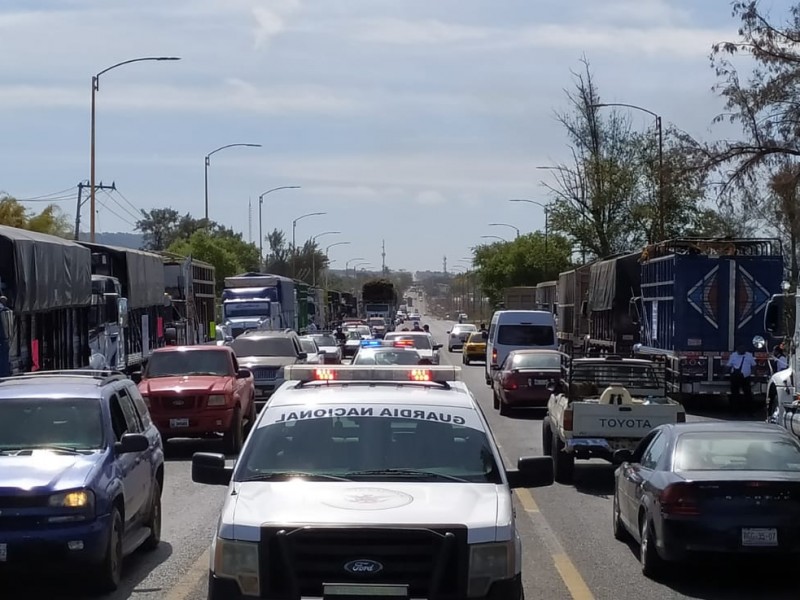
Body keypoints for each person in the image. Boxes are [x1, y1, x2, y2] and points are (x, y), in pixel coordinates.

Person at [727, 343, 757, 413]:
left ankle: (750, 412)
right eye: (740, 349)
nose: (741, 351)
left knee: (748, 394)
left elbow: (754, 366)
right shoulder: (733, 355)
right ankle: (734, 411)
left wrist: (755, 375)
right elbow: (728, 366)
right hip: (735, 377)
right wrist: (722, 375)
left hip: (746, 378)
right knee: (735, 395)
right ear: (737, 350)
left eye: (743, 349)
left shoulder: (749, 355)